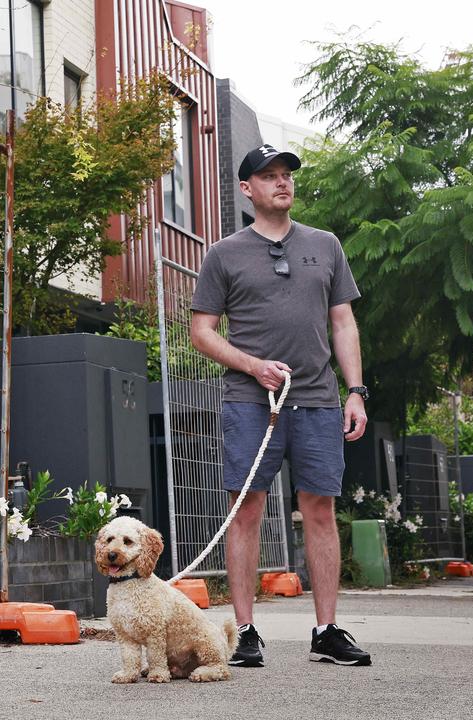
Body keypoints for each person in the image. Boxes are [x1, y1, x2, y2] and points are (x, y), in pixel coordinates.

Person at [189, 144, 372, 667]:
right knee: (246, 511)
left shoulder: (326, 245)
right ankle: (246, 631)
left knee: (320, 509)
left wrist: (355, 390)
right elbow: (202, 332)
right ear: (247, 189)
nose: (282, 183)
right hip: (251, 402)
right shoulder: (224, 254)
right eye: (268, 176)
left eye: (286, 175)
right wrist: (252, 365)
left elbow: (343, 322)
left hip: (317, 398)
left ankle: (327, 630)